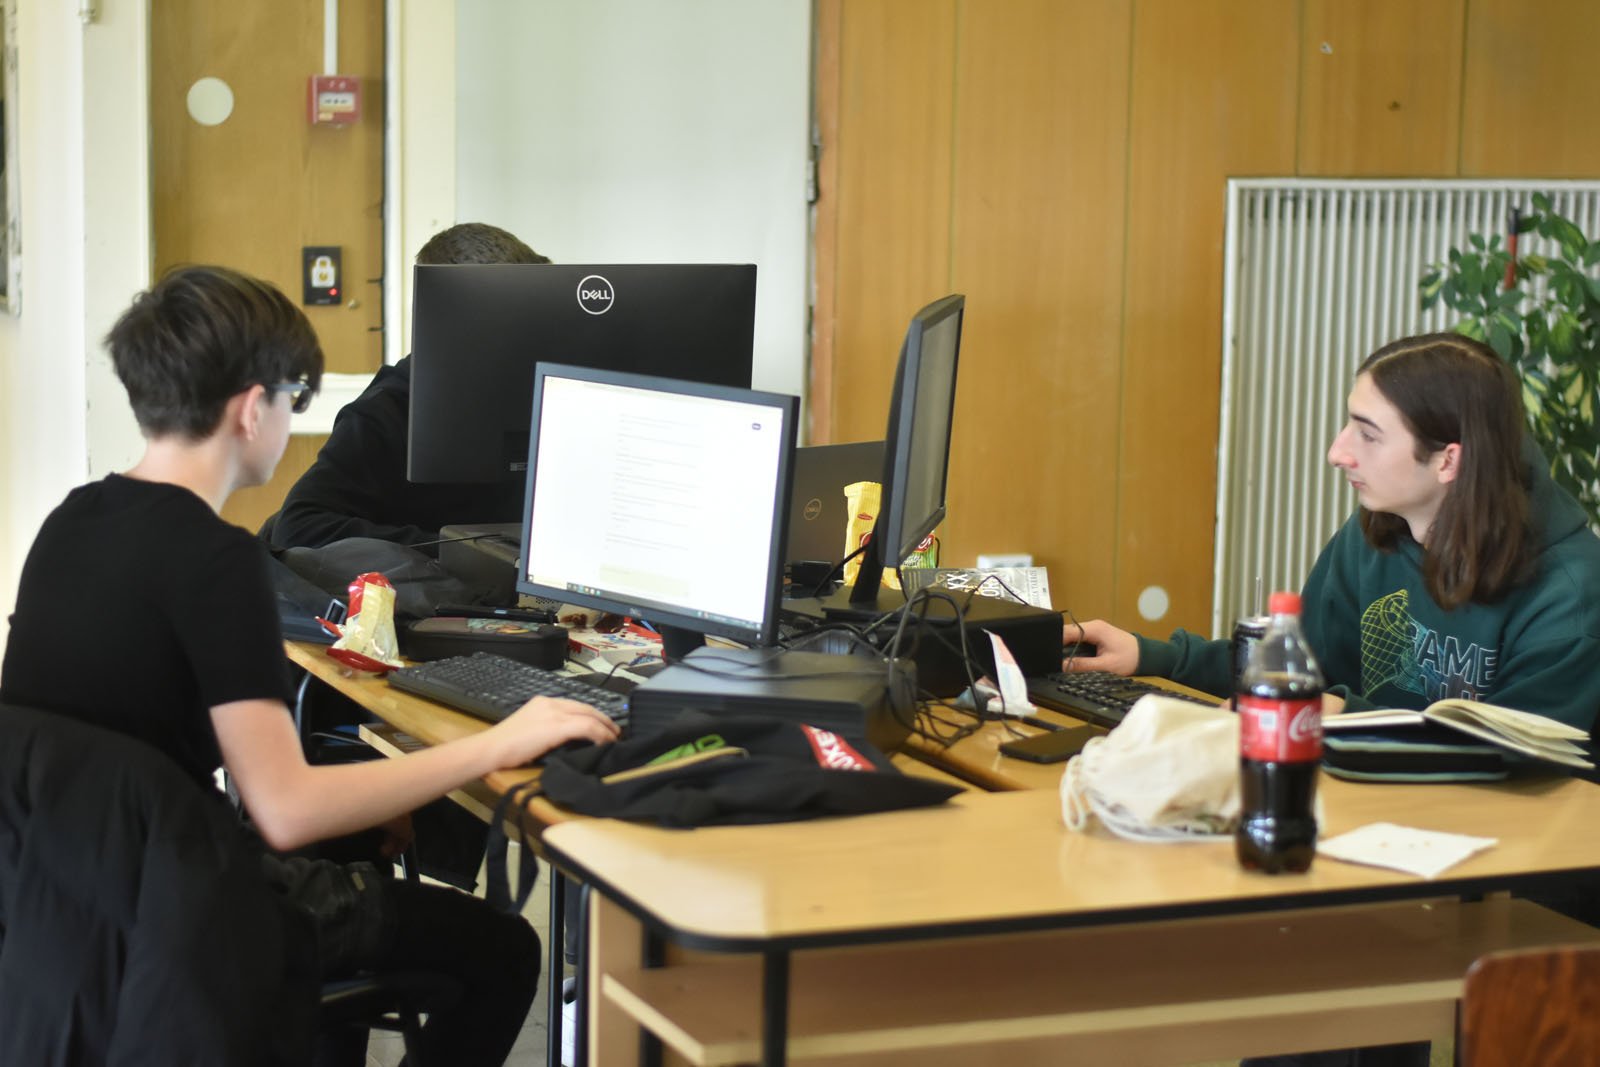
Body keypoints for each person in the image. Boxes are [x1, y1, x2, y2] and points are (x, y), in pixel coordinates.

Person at [0, 265, 619, 1065]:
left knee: (355, 843)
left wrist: (366, 801)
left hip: (66, 904)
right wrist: (497, 743)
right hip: (185, 916)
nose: (293, 418)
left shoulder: (71, 522)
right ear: (251, 407)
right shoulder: (217, 560)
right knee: (503, 951)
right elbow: (286, 811)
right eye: (294, 396)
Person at [1066, 331, 1600, 732]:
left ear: (1448, 461)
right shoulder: (1377, 529)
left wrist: (1344, 716)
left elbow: (1514, 761)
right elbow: (1302, 670)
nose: (1337, 452)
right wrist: (1152, 657)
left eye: (1368, 435)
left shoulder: (1570, 593)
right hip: (1370, 807)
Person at [266, 222, 550, 555]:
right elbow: (298, 527)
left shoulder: (550, 396)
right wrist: (466, 551)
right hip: (427, 584)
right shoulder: (386, 411)